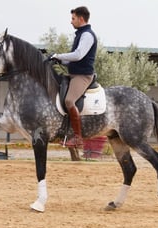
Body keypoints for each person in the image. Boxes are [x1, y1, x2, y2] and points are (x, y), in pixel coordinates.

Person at [50, 6, 97, 147]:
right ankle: (63, 132)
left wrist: (59, 55)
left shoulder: (87, 35)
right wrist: (59, 60)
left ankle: (78, 138)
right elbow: (73, 59)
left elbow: (78, 55)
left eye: (73, 18)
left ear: (81, 19)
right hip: (73, 74)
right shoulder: (80, 34)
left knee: (69, 101)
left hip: (82, 76)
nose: (71, 22)